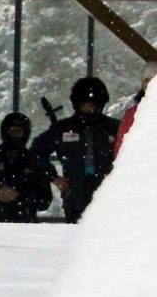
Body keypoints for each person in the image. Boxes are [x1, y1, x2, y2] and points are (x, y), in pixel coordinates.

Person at [32, 76, 120, 224]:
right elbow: (37, 151)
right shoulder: (63, 128)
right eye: (85, 104)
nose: (90, 109)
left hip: (109, 194)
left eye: (94, 104)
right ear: (76, 103)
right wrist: (53, 177)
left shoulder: (114, 128)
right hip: (75, 196)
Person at [0, 113, 52, 223]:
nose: (14, 136)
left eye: (18, 132)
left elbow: (44, 200)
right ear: (5, 132)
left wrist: (19, 195)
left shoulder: (34, 161)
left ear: (25, 134)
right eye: (11, 131)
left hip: (24, 223)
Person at [114, 62, 157, 158]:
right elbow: (121, 149)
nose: (149, 83)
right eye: (146, 80)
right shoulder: (132, 114)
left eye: (153, 79)